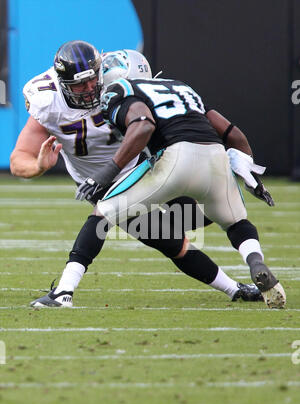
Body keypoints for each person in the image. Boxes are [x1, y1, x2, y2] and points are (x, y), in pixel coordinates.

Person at [10, 41, 263, 307]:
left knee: (199, 218)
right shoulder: (47, 100)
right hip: (100, 182)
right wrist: (38, 166)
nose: (88, 90)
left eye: (91, 81)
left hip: (146, 166)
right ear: (62, 84)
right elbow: (18, 160)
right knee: (168, 241)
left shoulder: (116, 77)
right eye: (78, 85)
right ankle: (234, 289)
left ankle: (236, 288)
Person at [80, 50, 285, 308]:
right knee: (236, 222)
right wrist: (253, 177)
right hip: (215, 159)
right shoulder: (181, 87)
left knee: (109, 214)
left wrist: (106, 172)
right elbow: (233, 134)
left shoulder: (122, 92)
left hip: (173, 161)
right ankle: (253, 262)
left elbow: (143, 125)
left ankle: (64, 291)